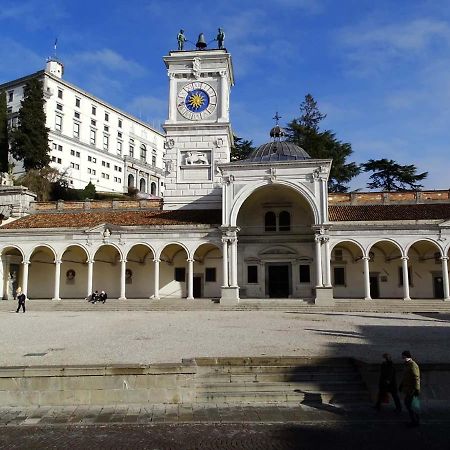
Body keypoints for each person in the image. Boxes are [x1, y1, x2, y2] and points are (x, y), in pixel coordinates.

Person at [399, 350, 421, 427]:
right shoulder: (407, 364)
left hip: (412, 389)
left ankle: (415, 421)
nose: (401, 357)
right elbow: (406, 376)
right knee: (410, 404)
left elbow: (416, 378)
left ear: (405, 356)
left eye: (402, 355)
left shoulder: (412, 365)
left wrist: (417, 390)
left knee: (410, 404)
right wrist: (401, 385)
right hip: (408, 389)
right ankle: (415, 420)